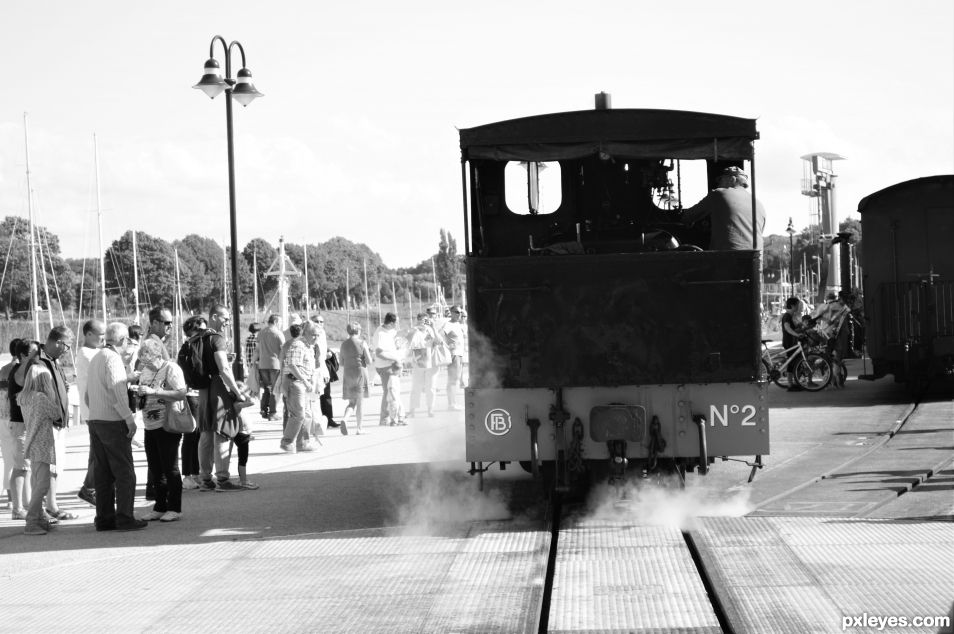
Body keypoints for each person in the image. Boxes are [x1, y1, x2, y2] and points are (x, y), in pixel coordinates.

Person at [86, 322, 147, 531]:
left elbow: (86, 395)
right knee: (125, 472)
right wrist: (129, 419)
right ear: (121, 340)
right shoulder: (113, 359)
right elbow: (117, 391)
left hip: (95, 419)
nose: (128, 345)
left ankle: (104, 518)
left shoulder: (96, 357)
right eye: (127, 341)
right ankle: (124, 517)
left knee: (103, 473)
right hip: (112, 421)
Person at [14, 326, 75, 521]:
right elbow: (25, 380)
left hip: (50, 423)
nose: (67, 350)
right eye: (66, 346)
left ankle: (44, 509)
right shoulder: (38, 359)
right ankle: (44, 510)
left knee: (48, 471)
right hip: (46, 424)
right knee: (47, 473)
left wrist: (62, 388)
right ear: (57, 342)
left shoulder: (53, 360)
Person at [194, 305, 247, 492]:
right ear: (214, 317)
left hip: (202, 390)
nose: (227, 322)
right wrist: (237, 392)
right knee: (223, 432)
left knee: (206, 433)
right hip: (217, 388)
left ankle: (205, 479)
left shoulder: (197, 337)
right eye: (225, 318)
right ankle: (223, 479)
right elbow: (224, 369)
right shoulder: (217, 339)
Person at [136, 338, 187, 522]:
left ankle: (175, 508)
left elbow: (181, 392)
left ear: (157, 354)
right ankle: (159, 506)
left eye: (146, 355)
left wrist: (155, 392)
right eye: (142, 356)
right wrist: (139, 393)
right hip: (149, 424)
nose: (143, 360)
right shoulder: (144, 371)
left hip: (168, 423)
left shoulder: (171, 368)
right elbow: (143, 395)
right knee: (155, 468)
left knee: (170, 467)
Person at [19, 366, 62, 535]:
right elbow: (56, 414)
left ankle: (40, 517)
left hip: (31, 440)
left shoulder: (24, 397)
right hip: (42, 442)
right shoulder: (41, 397)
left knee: (37, 482)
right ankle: (31, 521)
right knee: (43, 484)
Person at [680, 166, 766, 251]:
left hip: (726, 258)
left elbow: (688, 216)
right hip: (754, 260)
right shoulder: (759, 204)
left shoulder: (718, 194)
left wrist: (687, 220)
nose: (719, 184)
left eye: (721, 180)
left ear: (732, 179)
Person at [74, 319, 106, 508]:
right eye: (100, 334)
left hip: (96, 409)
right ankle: (89, 488)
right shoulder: (86, 353)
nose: (103, 338)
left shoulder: (95, 352)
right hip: (94, 410)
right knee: (98, 452)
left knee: (96, 451)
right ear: (88, 335)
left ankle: (91, 487)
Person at [6, 339, 38, 520]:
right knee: (21, 468)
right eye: (34, 352)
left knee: (24, 467)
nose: (37, 355)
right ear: (24, 355)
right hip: (21, 424)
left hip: (22, 424)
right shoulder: (21, 371)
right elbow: (24, 396)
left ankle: (23, 505)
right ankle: (17, 508)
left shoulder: (20, 369)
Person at [279, 320, 320, 452]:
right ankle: (287, 442)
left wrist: (311, 380)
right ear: (305, 333)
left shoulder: (308, 346)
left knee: (307, 414)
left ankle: (303, 443)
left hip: (303, 383)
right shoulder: (299, 345)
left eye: (318, 335)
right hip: (296, 383)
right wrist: (305, 381)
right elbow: (291, 365)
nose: (316, 338)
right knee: (298, 415)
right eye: (314, 334)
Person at [177, 316, 206, 490]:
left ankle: (194, 473)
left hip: (195, 393)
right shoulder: (190, 347)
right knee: (191, 434)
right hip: (192, 394)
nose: (205, 333)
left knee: (196, 434)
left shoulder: (190, 347)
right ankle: (188, 474)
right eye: (202, 330)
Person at [339, 322, 372, 434]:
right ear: (358, 330)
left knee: (351, 402)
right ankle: (359, 428)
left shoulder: (343, 344)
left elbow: (341, 362)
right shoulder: (362, 343)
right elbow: (369, 361)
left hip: (348, 374)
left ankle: (345, 419)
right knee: (360, 402)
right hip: (360, 373)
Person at [0, 339, 21, 512]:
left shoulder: (3, 370)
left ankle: (9, 498)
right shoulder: (21, 370)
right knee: (20, 459)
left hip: (1, 417)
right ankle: (20, 498)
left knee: (7, 459)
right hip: (15, 417)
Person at [311, 314, 340, 432]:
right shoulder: (311, 335)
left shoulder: (322, 334)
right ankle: (316, 421)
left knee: (326, 394)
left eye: (321, 321)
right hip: (314, 368)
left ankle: (328, 418)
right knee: (315, 396)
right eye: (316, 321)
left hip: (323, 367)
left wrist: (328, 354)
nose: (319, 323)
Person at [372, 313, 402, 425]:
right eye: (396, 322)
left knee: (394, 390)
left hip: (392, 365)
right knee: (388, 391)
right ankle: (384, 418)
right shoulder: (379, 334)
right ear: (390, 323)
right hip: (384, 366)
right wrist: (395, 358)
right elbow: (379, 353)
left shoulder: (390, 330)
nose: (397, 324)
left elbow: (397, 336)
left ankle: (398, 415)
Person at [407, 313, 439, 418]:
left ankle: (430, 409)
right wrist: (416, 329)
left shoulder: (431, 329)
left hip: (432, 362)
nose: (424, 322)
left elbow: (439, 342)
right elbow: (408, 344)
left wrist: (433, 327)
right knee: (416, 387)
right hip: (418, 361)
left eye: (426, 320)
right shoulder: (414, 330)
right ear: (418, 320)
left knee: (431, 388)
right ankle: (412, 410)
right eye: (421, 320)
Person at [255, 314, 284, 421]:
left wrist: (253, 362)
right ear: (276, 321)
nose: (280, 324)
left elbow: (257, 350)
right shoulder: (278, 334)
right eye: (280, 322)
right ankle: (273, 412)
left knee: (267, 388)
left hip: (263, 364)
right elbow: (283, 350)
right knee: (275, 389)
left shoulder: (261, 333)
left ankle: (263, 409)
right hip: (275, 364)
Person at [441, 306, 466, 411]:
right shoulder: (448, 324)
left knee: (455, 379)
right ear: (451, 312)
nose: (459, 314)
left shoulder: (457, 324)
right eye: (456, 312)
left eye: (460, 312)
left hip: (459, 354)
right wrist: (447, 346)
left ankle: (453, 403)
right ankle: (451, 404)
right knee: (452, 380)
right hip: (454, 354)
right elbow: (440, 335)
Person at [781, 297, 805, 392]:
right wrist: (797, 334)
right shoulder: (787, 316)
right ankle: (790, 384)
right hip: (789, 342)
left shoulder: (791, 316)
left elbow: (795, 327)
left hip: (793, 342)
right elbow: (787, 328)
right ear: (792, 306)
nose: (799, 307)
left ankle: (794, 383)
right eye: (798, 305)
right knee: (791, 363)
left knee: (795, 362)